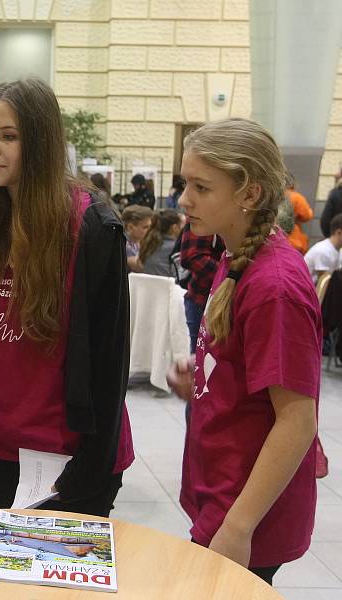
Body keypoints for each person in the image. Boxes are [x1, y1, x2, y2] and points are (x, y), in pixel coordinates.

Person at [0, 78, 134, 517]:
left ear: (41, 141)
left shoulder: (92, 225)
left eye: (8, 137)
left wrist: (89, 469)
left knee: (50, 586)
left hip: (67, 457)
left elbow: (111, 365)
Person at [168, 118, 321, 586]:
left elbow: (297, 421)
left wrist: (238, 526)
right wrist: (204, 377)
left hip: (247, 511)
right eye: (183, 183)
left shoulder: (274, 287)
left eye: (200, 187)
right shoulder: (237, 257)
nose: (183, 200)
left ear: (249, 194)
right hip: (222, 491)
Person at [176, 222, 225, 354]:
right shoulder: (204, 213)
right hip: (202, 300)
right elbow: (191, 256)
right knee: (199, 357)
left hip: (221, 301)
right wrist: (230, 275)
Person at [137, 209, 184, 277]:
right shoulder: (177, 247)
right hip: (168, 286)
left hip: (148, 285)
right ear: (174, 228)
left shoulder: (149, 244)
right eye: (182, 225)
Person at [304, 212, 342, 283]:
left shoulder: (338, 250)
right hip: (308, 291)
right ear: (338, 232)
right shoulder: (323, 250)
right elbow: (324, 283)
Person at [284, 173, 313, 254]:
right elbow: (306, 216)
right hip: (293, 239)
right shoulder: (296, 197)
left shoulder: (274, 195)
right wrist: (310, 211)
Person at [121, 205, 153, 273]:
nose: (150, 230)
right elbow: (141, 267)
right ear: (130, 227)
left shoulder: (139, 241)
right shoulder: (123, 245)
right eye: (145, 227)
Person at [320, 167, 342, 237]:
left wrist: (331, 238)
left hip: (337, 238)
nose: (336, 174)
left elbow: (325, 221)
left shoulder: (335, 194)